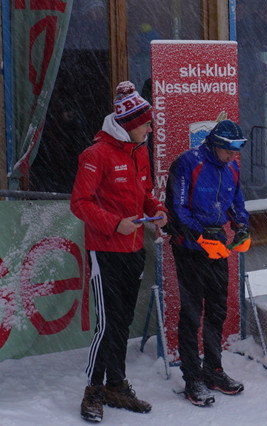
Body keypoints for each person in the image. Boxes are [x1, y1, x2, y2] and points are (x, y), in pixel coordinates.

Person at [71, 81, 168, 423]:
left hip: (133, 248)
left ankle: (116, 384)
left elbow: (145, 192)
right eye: (147, 123)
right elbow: (79, 204)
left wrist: (156, 210)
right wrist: (115, 224)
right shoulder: (95, 155)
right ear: (129, 125)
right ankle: (93, 391)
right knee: (107, 322)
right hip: (106, 250)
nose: (151, 128)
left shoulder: (138, 149)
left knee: (123, 321)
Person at [165, 119, 250, 406]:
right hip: (189, 247)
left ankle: (213, 370)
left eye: (237, 151)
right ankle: (192, 379)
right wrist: (200, 236)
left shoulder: (233, 168)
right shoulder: (188, 163)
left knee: (217, 309)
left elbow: (237, 203)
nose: (233, 157)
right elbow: (177, 210)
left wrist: (241, 227)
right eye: (229, 151)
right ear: (216, 145)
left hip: (218, 247)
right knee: (191, 313)